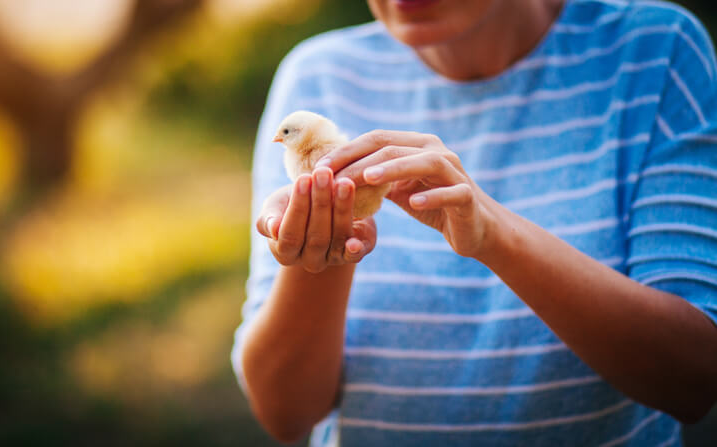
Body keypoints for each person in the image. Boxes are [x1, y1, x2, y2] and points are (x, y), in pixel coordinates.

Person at [232, 0, 717, 445]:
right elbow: (285, 413)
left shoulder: (656, 52)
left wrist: (495, 236)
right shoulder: (317, 75)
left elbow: (695, 380)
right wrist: (326, 243)